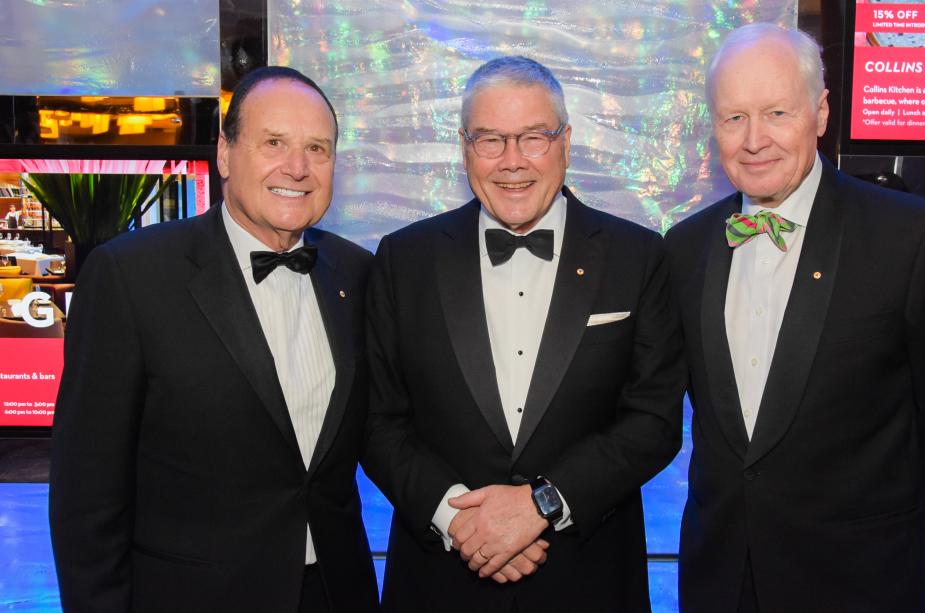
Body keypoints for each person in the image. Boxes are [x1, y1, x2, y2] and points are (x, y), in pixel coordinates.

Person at [666, 24, 925, 612]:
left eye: (776, 112)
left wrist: (912, 542)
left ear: (819, 113)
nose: (754, 139)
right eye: (733, 118)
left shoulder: (910, 239)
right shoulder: (684, 248)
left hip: (867, 584)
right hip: (723, 585)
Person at [49, 66, 379, 613]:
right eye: (274, 142)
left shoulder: (357, 273)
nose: (296, 168)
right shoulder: (130, 277)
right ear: (225, 154)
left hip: (335, 593)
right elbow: (86, 494)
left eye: (317, 149)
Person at [362, 56, 685, 612]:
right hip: (440, 581)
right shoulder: (403, 259)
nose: (512, 162)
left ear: (565, 141)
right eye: (490, 140)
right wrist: (461, 522)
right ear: (464, 146)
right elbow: (376, 420)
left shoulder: (639, 257)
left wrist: (541, 506)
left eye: (533, 137)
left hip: (589, 583)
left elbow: (653, 422)